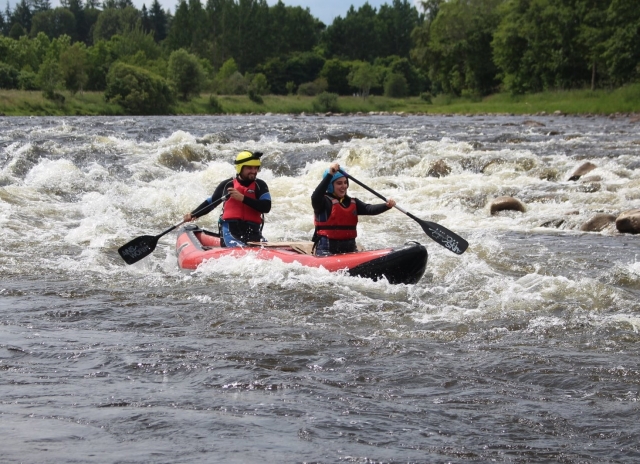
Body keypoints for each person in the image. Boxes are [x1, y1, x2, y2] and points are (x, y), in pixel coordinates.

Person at [184, 150, 271, 247]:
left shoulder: (260, 185)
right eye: (249, 168)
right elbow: (211, 202)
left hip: (253, 232)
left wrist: (243, 198)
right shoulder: (227, 184)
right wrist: (193, 214)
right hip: (231, 231)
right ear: (240, 168)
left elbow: (266, 207)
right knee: (241, 251)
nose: (254, 171)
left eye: (256, 168)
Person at [311, 162, 396, 256]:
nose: (343, 186)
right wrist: (330, 174)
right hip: (327, 251)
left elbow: (369, 209)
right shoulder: (323, 202)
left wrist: (386, 206)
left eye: (345, 183)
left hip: (350, 250)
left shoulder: (352, 202)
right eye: (339, 183)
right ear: (330, 186)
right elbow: (315, 196)